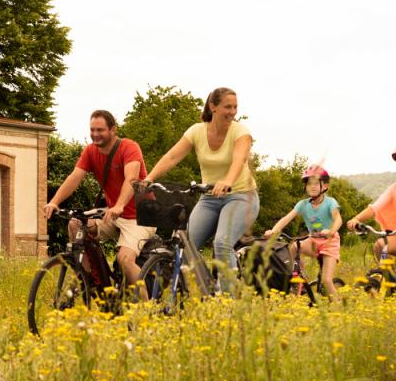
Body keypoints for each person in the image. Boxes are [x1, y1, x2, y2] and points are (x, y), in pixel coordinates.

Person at [144, 87, 258, 292]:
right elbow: (172, 157)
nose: (232, 112)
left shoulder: (241, 131)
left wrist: (227, 181)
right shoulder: (196, 131)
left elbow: (239, 159)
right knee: (185, 246)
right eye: (227, 107)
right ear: (213, 107)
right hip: (210, 198)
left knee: (222, 243)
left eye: (235, 107)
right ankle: (202, 289)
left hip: (241, 196)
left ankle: (228, 302)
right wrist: (150, 177)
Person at [44, 110, 155, 286]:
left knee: (125, 260)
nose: (95, 134)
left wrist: (119, 205)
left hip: (140, 217)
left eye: (100, 130)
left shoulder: (129, 147)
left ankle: (147, 308)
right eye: (92, 130)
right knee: (75, 224)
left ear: (113, 130)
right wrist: (54, 201)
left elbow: (131, 179)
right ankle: (92, 282)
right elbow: (74, 178)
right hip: (112, 215)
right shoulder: (90, 152)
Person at [265, 165, 342, 298]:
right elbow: (286, 219)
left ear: (324, 186)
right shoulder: (303, 204)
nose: (312, 187)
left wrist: (330, 231)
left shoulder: (330, 202)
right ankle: (299, 278)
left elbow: (338, 219)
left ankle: (339, 307)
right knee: (294, 247)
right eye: (309, 184)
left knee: (326, 280)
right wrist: (274, 231)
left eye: (316, 183)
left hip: (330, 242)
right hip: (312, 241)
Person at [347, 149, 396, 260]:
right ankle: (388, 275)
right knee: (380, 246)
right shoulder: (394, 189)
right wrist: (356, 219)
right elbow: (375, 208)